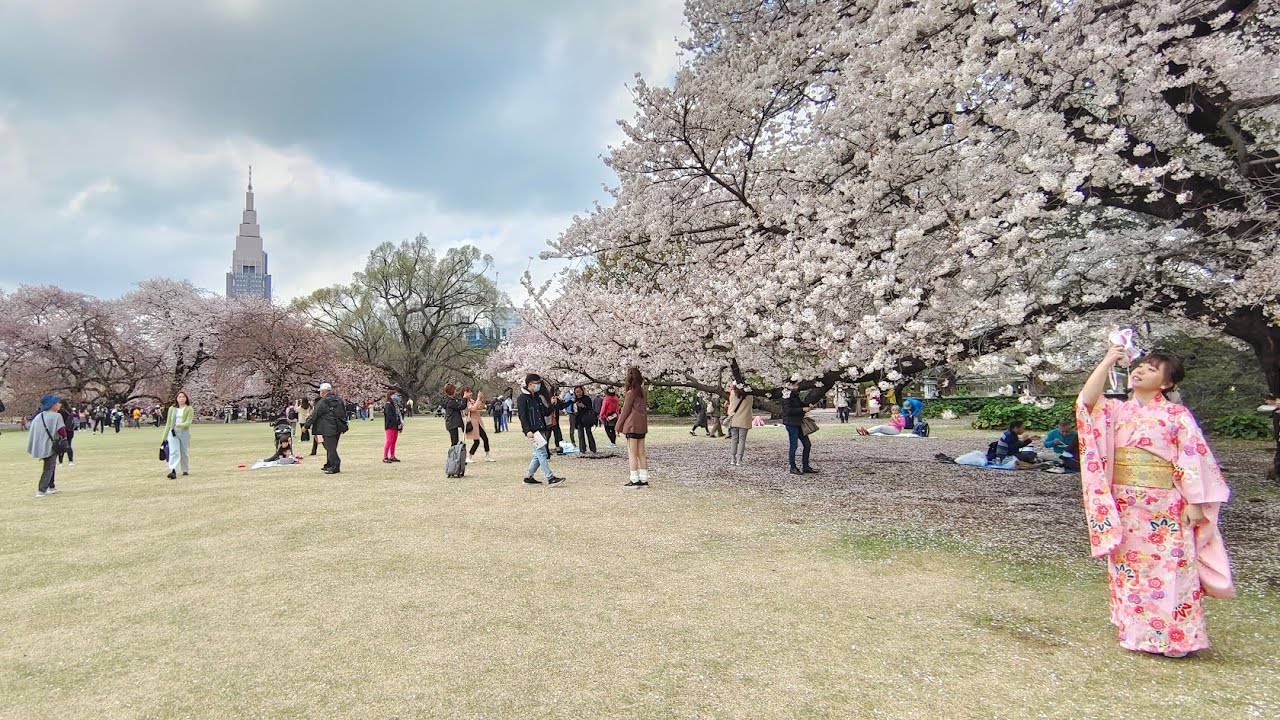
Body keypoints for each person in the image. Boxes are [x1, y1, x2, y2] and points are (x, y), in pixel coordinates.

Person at [1078, 345, 1234, 657]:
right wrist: (1108, 360)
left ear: (1166, 383)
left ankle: (1175, 637)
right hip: (1125, 505)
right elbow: (1087, 401)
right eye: (1140, 366)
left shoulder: (1177, 415)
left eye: (1151, 369)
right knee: (1130, 571)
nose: (1140, 371)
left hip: (1165, 506)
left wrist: (1195, 501)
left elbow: (1192, 457)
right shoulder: (1117, 410)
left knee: (1170, 570)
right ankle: (1136, 632)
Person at [517, 374, 565, 485]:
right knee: (542, 453)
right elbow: (522, 416)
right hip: (533, 431)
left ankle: (529, 477)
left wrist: (552, 405)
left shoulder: (536, 397)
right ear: (530, 384)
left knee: (538, 454)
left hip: (542, 428)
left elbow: (545, 412)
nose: (539, 385)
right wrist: (527, 430)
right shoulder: (523, 399)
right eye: (537, 383)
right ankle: (550, 477)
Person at [28, 394, 68, 498]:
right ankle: (42, 490)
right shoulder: (57, 416)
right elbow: (62, 431)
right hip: (51, 445)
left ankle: (51, 486)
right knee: (49, 468)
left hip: (41, 445)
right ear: (52, 405)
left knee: (50, 466)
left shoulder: (39, 416)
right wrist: (64, 438)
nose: (59, 405)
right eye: (57, 403)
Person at [616, 367, 651, 487]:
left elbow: (625, 411)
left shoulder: (630, 393)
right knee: (641, 453)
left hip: (632, 426)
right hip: (642, 426)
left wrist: (618, 427)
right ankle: (644, 478)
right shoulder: (643, 392)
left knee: (632, 453)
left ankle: (634, 479)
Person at [305, 383, 347, 474]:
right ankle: (329, 464)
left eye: (320, 391)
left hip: (327, 427)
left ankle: (335, 465)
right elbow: (344, 413)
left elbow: (315, 414)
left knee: (330, 447)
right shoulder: (339, 400)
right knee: (331, 447)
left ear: (323, 392)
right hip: (338, 426)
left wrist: (306, 425)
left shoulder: (323, 402)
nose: (320, 393)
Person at [781, 382, 818, 475]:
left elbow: (800, 404)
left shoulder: (794, 395)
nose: (797, 386)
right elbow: (788, 411)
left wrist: (807, 405)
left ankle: (806, 466)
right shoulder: (786, 396)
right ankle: (793, 467)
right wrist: (802, 409)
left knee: (807, 444)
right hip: (791, 423)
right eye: (794, 385)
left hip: (798, 422)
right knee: (794, 445)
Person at [163, 390, 195, 479]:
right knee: (174, 451)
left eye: (183, 397)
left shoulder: (189, 409)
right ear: (176, 399)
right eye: (179, 397)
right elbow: (168, 423)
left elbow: (188, 422)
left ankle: (185, 469)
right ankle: (173, 470)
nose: (181, 399)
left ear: (186, 398)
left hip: (184, 432)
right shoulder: (172, 409)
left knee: (184, 452)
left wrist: (180, 425)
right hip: (173, 432)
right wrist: (164, 437)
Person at [726, 383, 754, 466]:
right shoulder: (750, 395)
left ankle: (732, 458)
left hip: (734, 419)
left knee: (734, 439)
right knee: (742, 440)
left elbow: (730, 403)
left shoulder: (733, 393)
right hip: (744, 420)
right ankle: (739, 459)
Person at [464, 388, 494, 463]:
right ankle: (469, 456)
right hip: (472, 423)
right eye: (468, 392)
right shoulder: (465, 402)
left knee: (485, 438)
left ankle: (487, 455)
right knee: (476, 441)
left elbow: (479, 407)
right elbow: (473, 408)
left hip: (478, 422)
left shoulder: (472, 401)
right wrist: (478, 399)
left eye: (471, 392)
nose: (471, 393)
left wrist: (481, 399)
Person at [572, 385, 598, 455]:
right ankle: (582, 449)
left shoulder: (587, 398)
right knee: (580, 435)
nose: (578, 393)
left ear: (582, 391)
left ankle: (593, 448)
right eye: (576, 392)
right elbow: (573, 409)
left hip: (586, 418)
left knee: (589, 433)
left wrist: (583, 406)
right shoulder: (574, 400)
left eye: (579, 392)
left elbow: (590, 408)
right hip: (578, 419)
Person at [383, 391, 403, 463]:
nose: (395, 396)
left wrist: (400, 424)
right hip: (390, 426)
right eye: (393, 395)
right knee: (389, 441)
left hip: (395, 426)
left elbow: (398, 415)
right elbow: (390, 416)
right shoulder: (388, 405)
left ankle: (392, 456)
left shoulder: (395, 405)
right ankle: (385, 457)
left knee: (393, 442)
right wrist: (397, 422)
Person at [57, 403, 77, 467]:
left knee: (61, 445)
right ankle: (70, 461)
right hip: (70, 430)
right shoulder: (70, 411)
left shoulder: (60, 412)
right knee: (69, 445)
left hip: (62, 430)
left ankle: (61, 462)